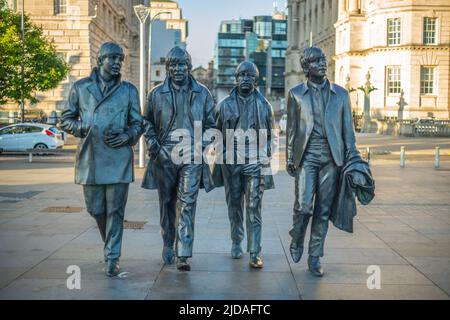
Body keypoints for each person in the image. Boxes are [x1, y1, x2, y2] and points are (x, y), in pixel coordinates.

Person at [286, 46, 371, 277]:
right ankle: (297, 237)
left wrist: (353, 161)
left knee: (323, 210)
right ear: (306, 67)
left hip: (332, 159)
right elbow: (292, 131)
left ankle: (315, 256)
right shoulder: (295, 93)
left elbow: (348, 134)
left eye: (323, 59)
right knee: (304, 207)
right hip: (307, 156)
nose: (322, 63)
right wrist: (289, 158)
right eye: (315, 61)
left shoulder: (341, 95)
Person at [60, 42, 143, 277]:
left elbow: (138, 122)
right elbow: (66, 119)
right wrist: (82, 126)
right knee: (95, 208)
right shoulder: (81, 87)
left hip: (118, 158)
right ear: (100, 60)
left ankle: (112, 257)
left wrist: (128, 135)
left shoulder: (128, 90)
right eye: (112, 58)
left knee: (115, 211)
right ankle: (110, 243)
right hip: (91, 157)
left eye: (120, 59)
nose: (117, 62)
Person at [141, 47, 216, 271]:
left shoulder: (203, 93)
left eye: (182, 64)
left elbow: (212, 126)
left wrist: (200, 146)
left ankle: (184, 251)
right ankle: (168, 243)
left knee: (187, 203)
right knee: (167, 203)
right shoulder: (155, 94)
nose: (177, 69)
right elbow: (147, 122)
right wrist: (154, 145)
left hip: (191, 155)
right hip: (164, 155)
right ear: (167, 68)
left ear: (189, 67)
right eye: (173, 65)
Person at [213, 61, 275, 268]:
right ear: (236, 78)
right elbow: (216, 132)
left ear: (256, 80)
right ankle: (236, 240)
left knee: (253, 206)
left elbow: (272, 135)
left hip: (255, 161)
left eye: (250, 76)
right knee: (234, 204)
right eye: (242, 75)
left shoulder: (265, 105)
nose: (245, 79)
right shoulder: (224, 105)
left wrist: (266, 152)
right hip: (231, 161)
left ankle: (255, 251)